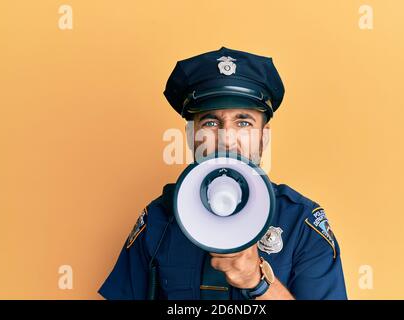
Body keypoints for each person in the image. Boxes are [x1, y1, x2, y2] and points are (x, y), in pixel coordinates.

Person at [98, 47, 347, 300]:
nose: (226, 139)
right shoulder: (158, 220)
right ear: (190, 137)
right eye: (210, 122)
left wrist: (258, 283)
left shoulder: (301, 223)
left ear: (264, 137)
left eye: (243, 123)